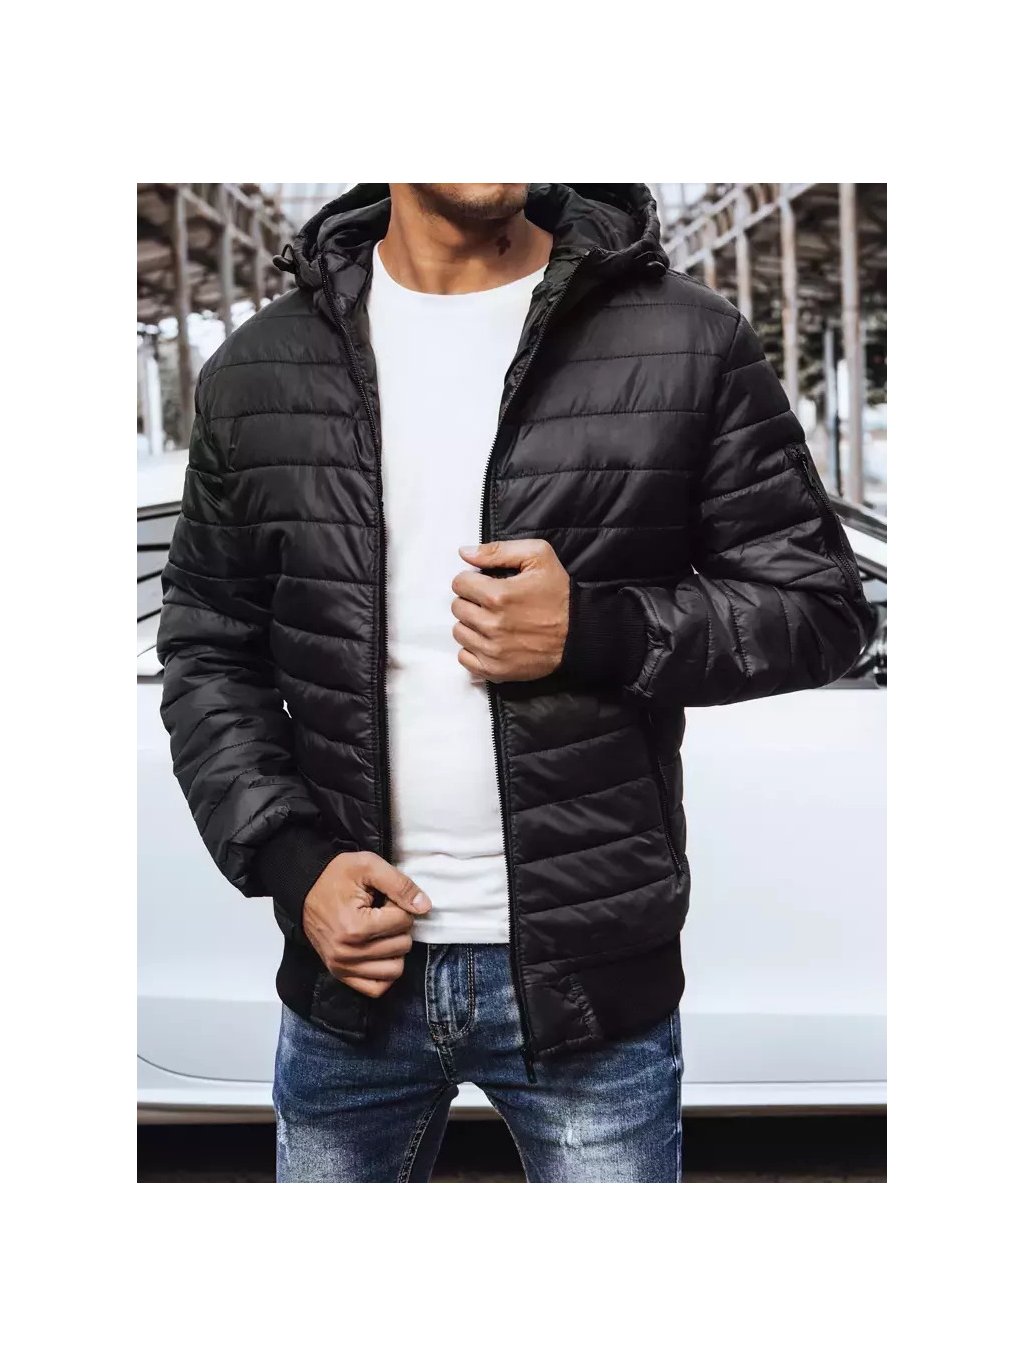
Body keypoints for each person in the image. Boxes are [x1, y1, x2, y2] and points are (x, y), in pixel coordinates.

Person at [158, 183, 872, 1182]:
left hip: (589, 987)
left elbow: (820, 608)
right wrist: (294, 861)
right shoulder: (260, 367)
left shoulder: (685, 339)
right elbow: (208, 649)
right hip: (348, 980)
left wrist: (598, 630)